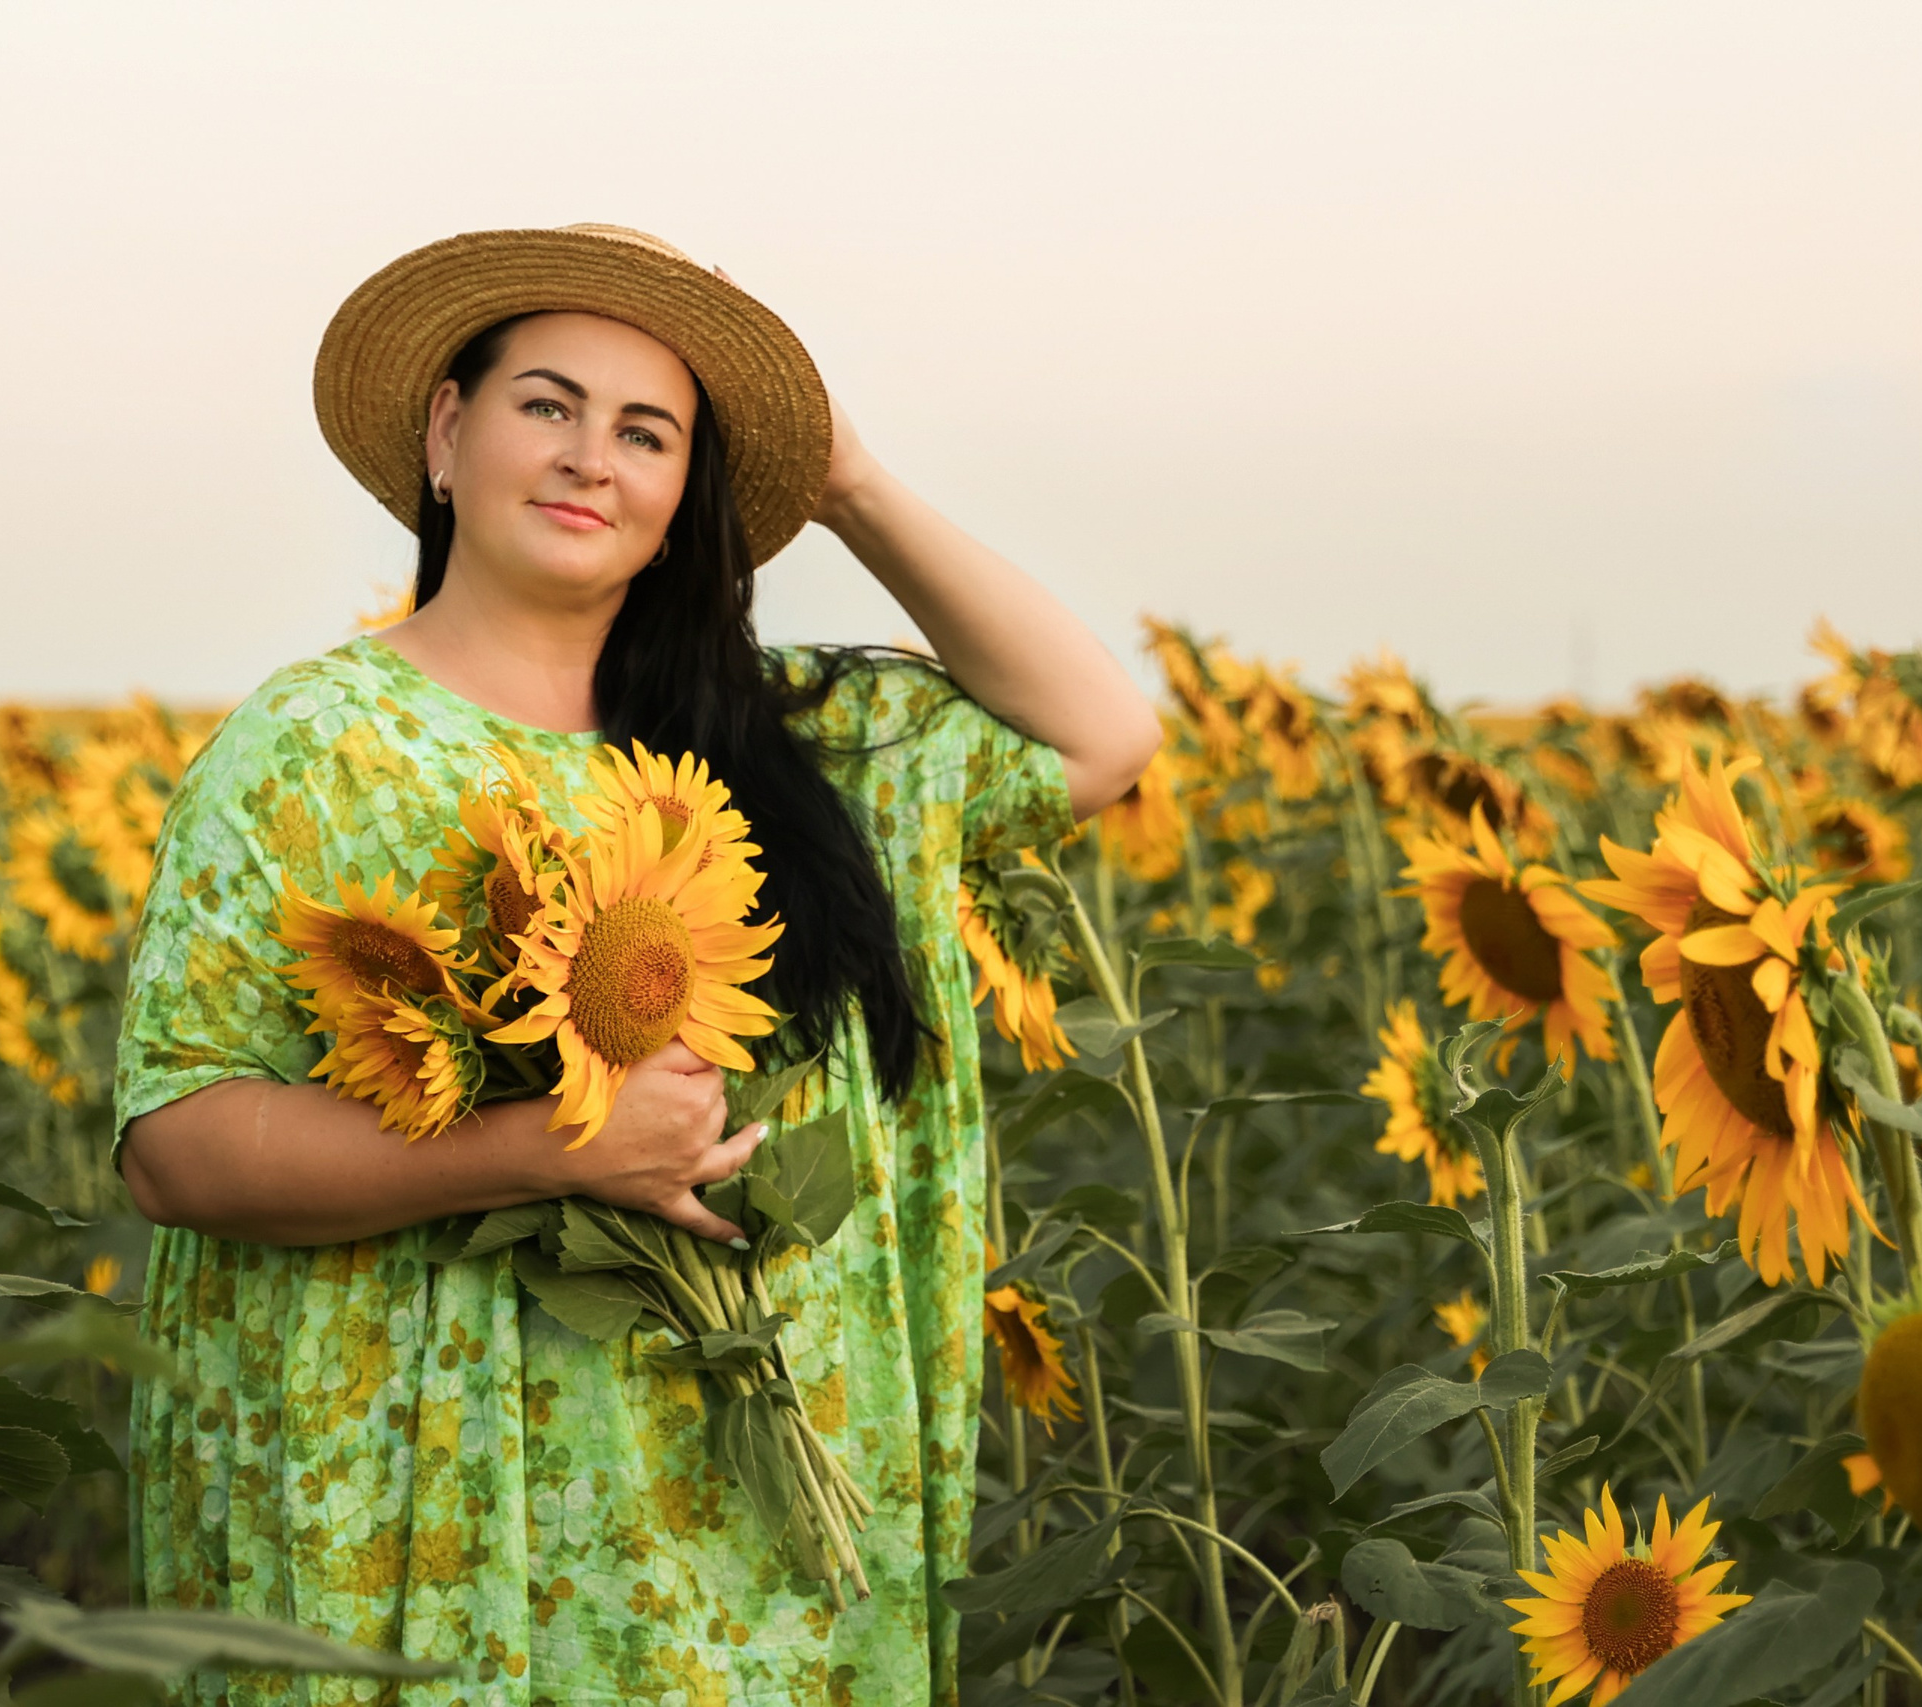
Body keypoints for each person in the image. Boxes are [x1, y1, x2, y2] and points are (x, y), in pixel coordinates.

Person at [116, 224, 1160, 1705]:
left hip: (753, 1538)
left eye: (648, 432)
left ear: (688, 499)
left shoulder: (796, 743)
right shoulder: (319, 748)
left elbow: (1099, 740)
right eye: (547, 404)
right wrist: (546, 1145)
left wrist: (844, 476)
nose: (589, 458)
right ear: (445, 432)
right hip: (453, 1509)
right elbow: (176, 1147)